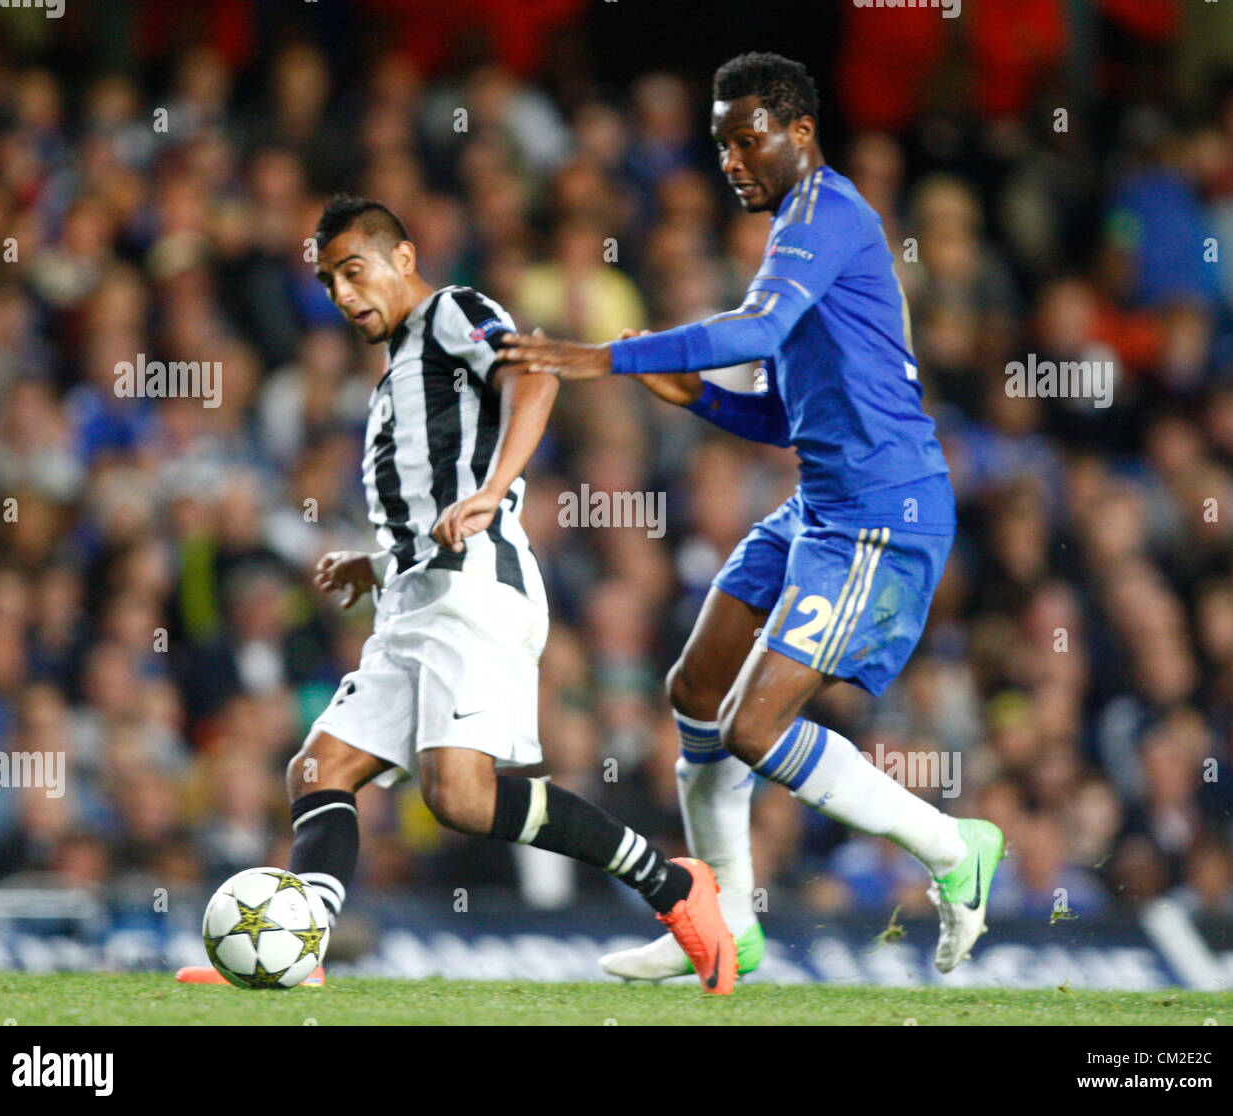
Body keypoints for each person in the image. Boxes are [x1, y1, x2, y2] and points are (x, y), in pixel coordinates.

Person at [501, 53, 1004, 982]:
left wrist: (606, 357)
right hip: (822, 501)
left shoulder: (828, 214)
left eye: (748, 139)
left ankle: (951, 846)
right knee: (694, 692)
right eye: (721, 144)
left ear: (800, 133)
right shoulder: (798, 232)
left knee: (752, 728)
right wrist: (694, 397)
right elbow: (783, 411)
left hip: (881, 516)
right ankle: (727, 921)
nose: (732, 160)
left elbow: (758, 330)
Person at [178, 195, 736, 994]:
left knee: (461, 798)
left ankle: (675, 887)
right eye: (329, 280)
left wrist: (496, 489)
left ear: (402, 259)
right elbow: (433, 495)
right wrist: (376, 562)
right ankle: (300, 957)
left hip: (474, 592)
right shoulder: (396, 372)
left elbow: (532, 380)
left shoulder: (451, 313)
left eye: (354, 270)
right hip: (411, 599)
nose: (342, 294)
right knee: (320, 767)